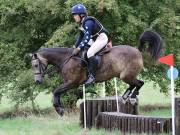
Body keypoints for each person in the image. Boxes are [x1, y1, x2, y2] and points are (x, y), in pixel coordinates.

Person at [71, 3, 109, 85]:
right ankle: (86, 71)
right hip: (94, 40)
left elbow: (87, 37)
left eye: (75, 15)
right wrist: (74, 46)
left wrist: (78, 48)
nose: (74, 17)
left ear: (81, 15)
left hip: (101, 38)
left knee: (90, 53)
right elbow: (80, 37)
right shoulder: (82, 23)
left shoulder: (88, 22)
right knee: (84, 51)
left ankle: (92, 76)